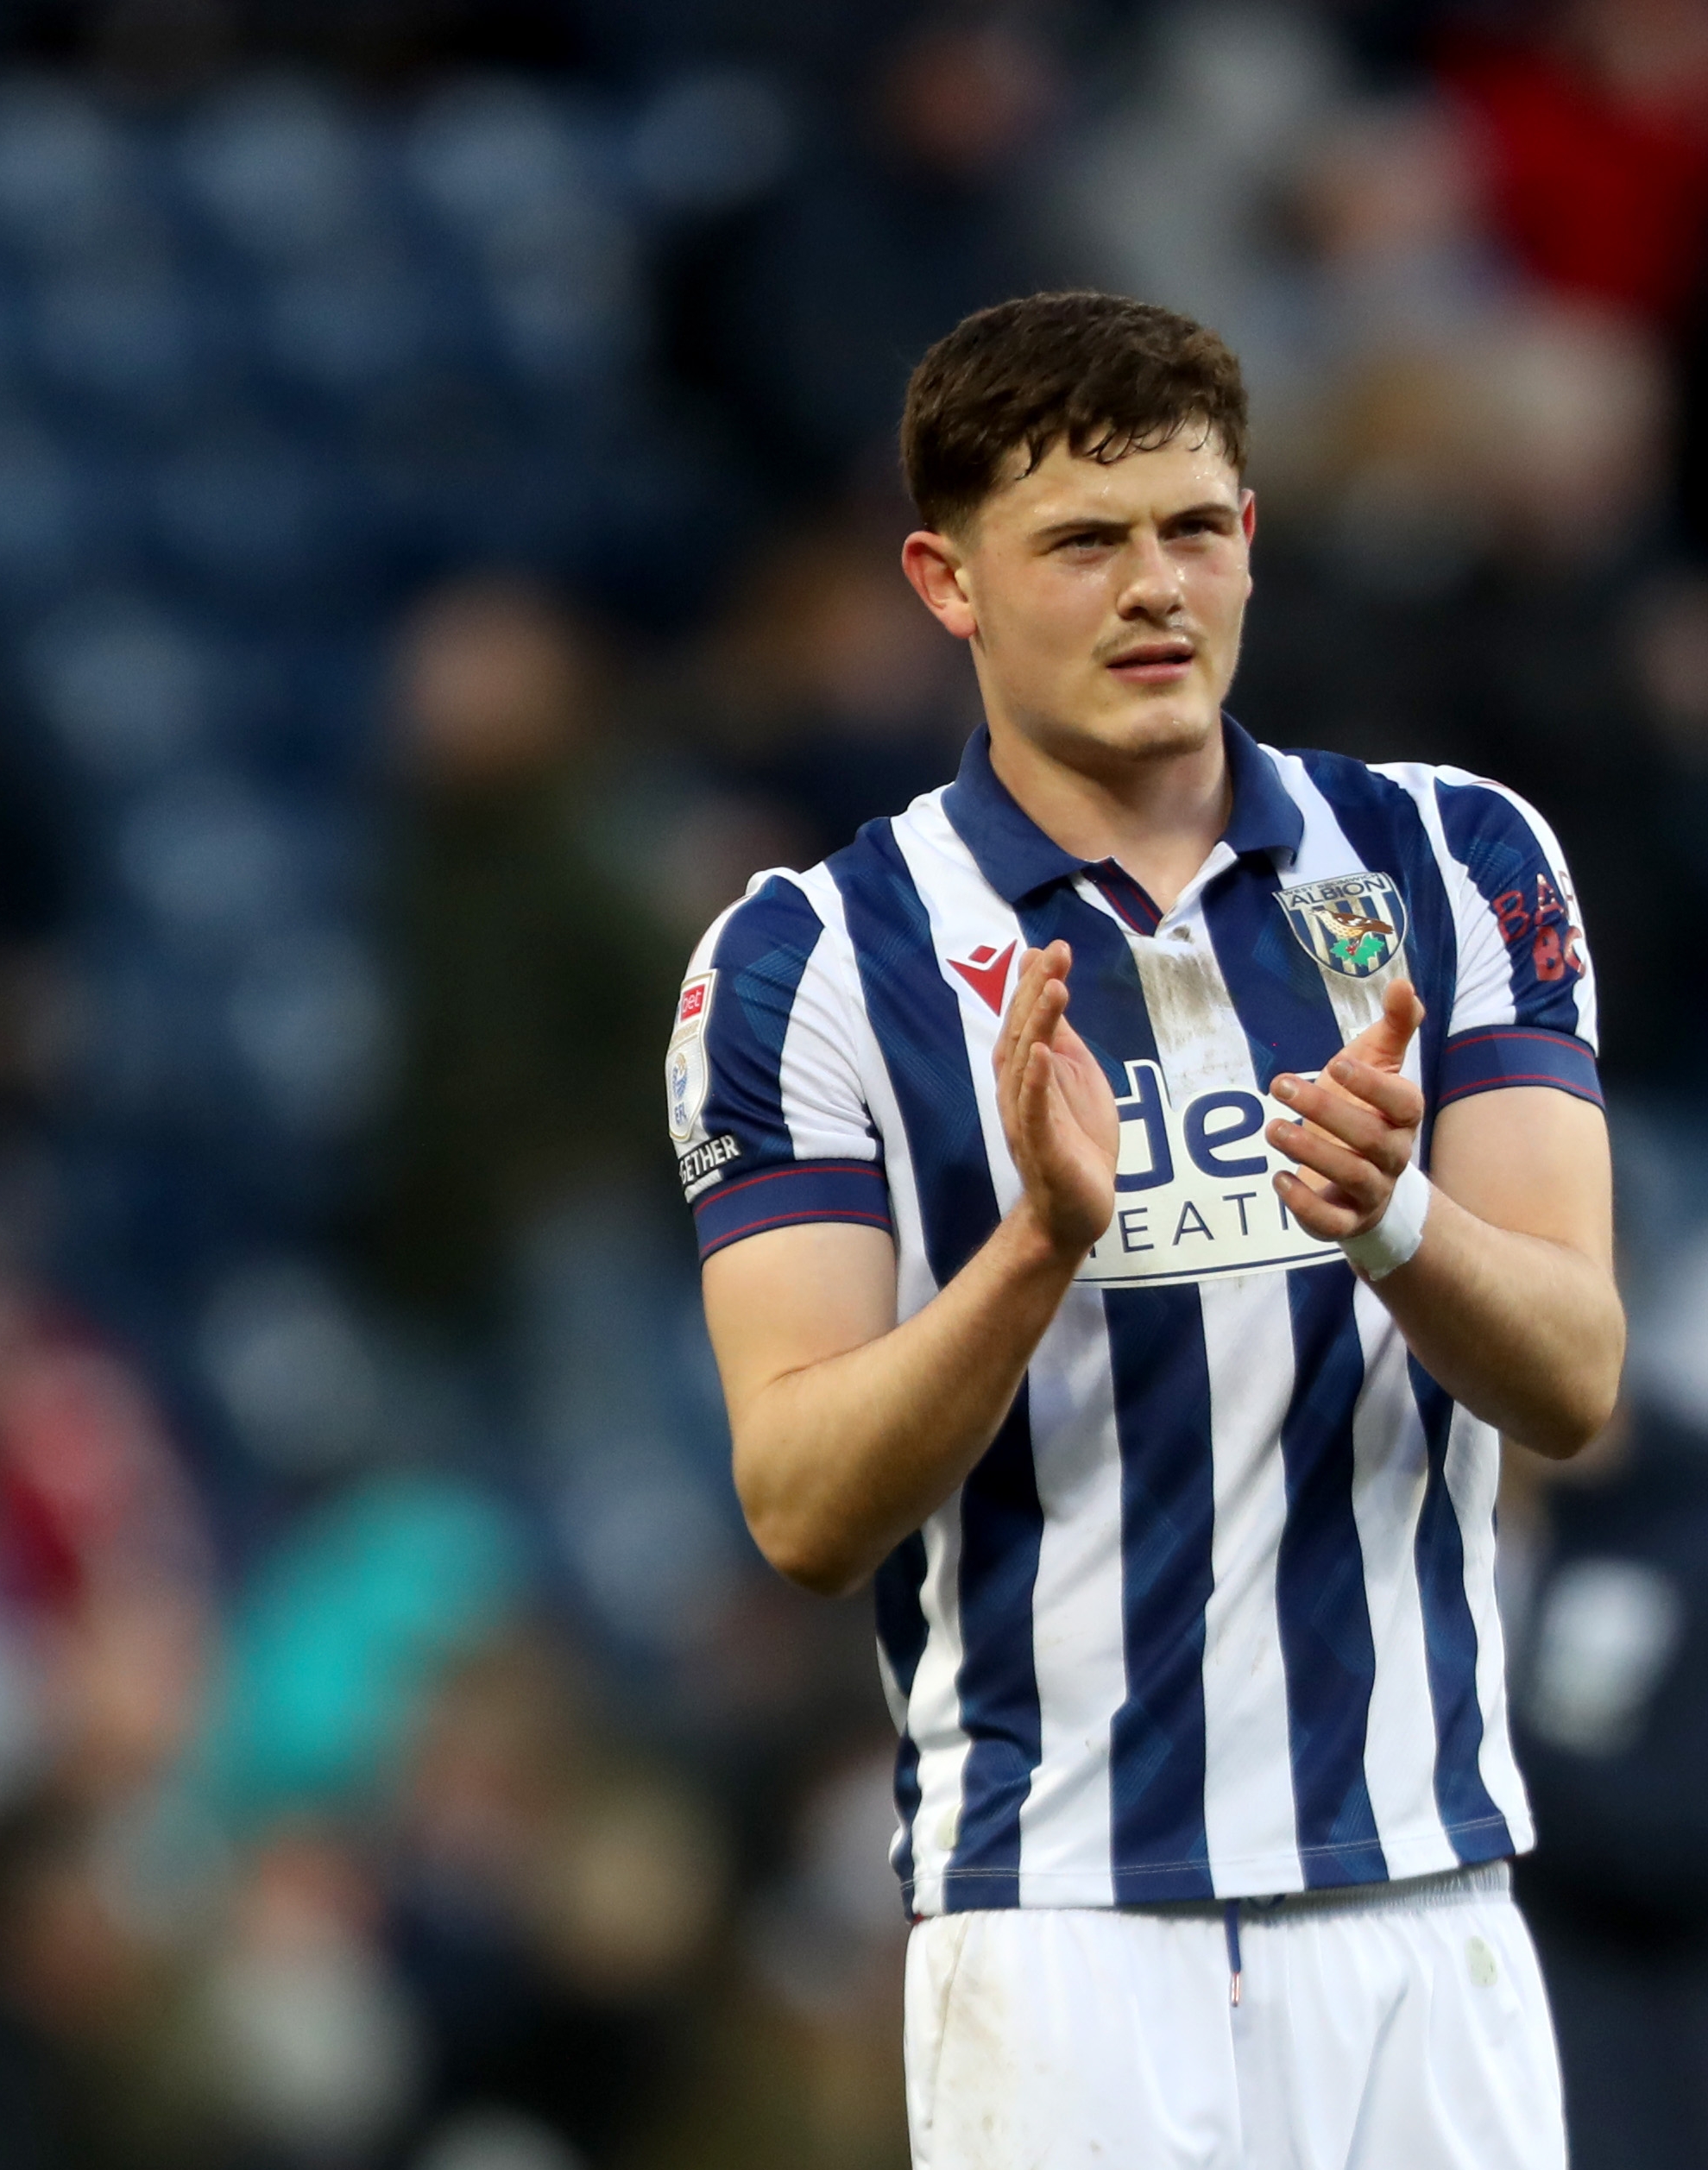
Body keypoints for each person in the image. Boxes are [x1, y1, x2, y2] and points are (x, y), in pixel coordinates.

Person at [671, 291, 1623, 2167]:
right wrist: (1032, 1250)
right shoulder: (805, 960)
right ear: (944, 582)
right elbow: (795, 1500)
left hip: (1421, 1896)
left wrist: (1394, 1220)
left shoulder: (1455, 860)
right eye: (1082, 545)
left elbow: (1577, 1374)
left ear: (1250, 538)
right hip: (1060, 1923)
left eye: (1192, 529)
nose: (1153, 591)